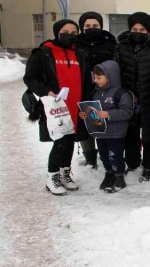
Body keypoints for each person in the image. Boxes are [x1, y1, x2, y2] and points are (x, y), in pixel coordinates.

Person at [23, 19, 92, 196]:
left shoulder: (81, 54)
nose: (70, 35)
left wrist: (86, 103)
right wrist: (46, 91)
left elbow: (86, 80)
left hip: (75, 106)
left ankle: (65, 173)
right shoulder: (43, 53)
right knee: (60, 142)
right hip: (55, 107)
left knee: (69, 141)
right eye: (65, 31)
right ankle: (52, 177)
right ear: (57, 32)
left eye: (73, 32)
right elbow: (30, 78)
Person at [116, 12, 150, 182]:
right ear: (130, 29)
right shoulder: (121, 47)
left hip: (149, 99)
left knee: (149, 134)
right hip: (128, 99)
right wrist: (119, 98)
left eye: (142, 29)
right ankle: (132, 162)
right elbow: (116, 73)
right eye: (135, 29)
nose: (138, 32)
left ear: (148, 30)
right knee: (129, 132)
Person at [79, 60, 134, 193]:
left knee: (115, 155)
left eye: (99, 78)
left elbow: (127, 112)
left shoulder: (121, 94)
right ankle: (109, 173)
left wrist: (108, 114)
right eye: (95, 77)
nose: (96, 80)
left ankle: (119, 176)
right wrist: (85, 114)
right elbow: (92, 110)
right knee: (103, 155)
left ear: (110, 76)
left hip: (116, 133)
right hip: (101, 132)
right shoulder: (96, 93)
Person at [76, 11, 118, 168]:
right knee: (85, 120)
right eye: (87, 26)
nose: (91, 28)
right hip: (82, 87)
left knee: (103, 120)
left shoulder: (110, 43)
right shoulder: (75, 44)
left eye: (95, 26)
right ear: (82, 27)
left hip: (105, 88)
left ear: (101, 26)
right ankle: (90, 157)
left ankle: (107, 155)